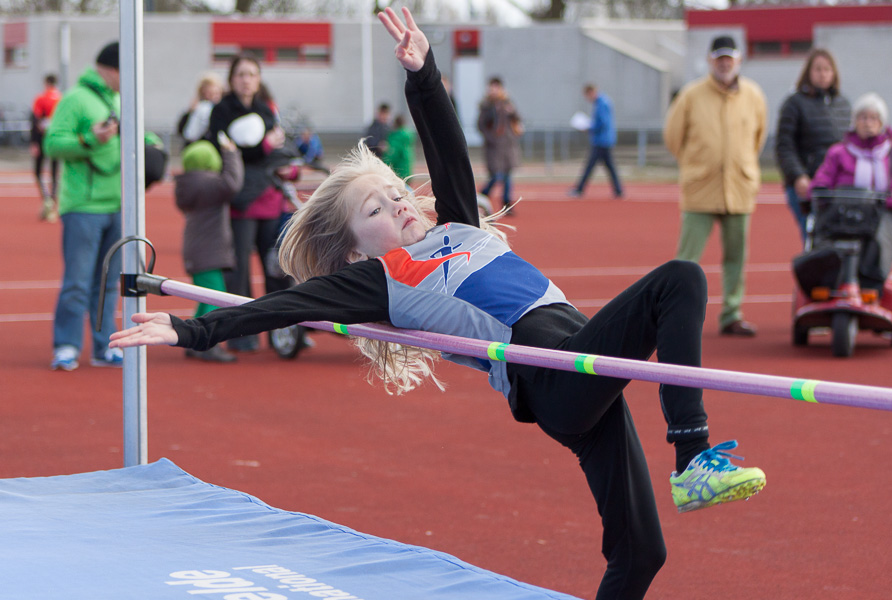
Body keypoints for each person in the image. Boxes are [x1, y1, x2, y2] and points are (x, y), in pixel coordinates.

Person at [110, 10, 766, 599]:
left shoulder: (460, 226)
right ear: (356, 251)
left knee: (640, 552)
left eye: (395, 191)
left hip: (578, 366)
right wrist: (191, 332)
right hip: (551, 372)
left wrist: (422, 73)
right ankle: (693, 459)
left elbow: (446, 145)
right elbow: (278, 307)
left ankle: (685, 475)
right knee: (679, 279)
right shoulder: (386, 278)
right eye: (375, 208)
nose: (397, 202)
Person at [664, 35, 767, 337]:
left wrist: (741, 164)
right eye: (719, 58)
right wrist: (695, 163)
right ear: (711, 61)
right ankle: (675, 315)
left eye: (730, 58)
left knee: (736, 257)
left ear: (738, 61)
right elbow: (673, 137)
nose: (725, 64)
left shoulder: (753, 95)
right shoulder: (691, 95)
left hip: (739, 189)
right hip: (701, 189)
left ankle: (732, 314)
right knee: (686, 260)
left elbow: (758, 137)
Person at [206, 53, 302, 353]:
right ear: (231, 79)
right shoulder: (221, 112)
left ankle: (281, 334)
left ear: (258, 80)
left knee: (277, 269)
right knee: (239, 273)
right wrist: (262, 147)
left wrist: (291, 168)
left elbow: (279, 151)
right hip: (241, 203)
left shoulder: (265, 110)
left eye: (252, 74)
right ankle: (241, 333)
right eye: (241, 74)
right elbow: (226, 151)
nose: (246, 79)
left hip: (271, 202)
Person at [44, 41, 124, 371]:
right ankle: (66, 346)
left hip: (118, 204)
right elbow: (52, 144)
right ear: (111, 69)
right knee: (78, 281)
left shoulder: (120, 98)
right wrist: (89, 139)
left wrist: (153, 145)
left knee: (108, 283)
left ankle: (104, 346)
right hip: (83, 206)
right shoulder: (75, 99)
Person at [809, 92, 892, 291]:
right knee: (826, 234)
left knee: (881, 236)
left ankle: (871, 285)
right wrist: (821, 190)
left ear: (882, 122)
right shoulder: (838, 152)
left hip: (881, 211)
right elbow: (822, 178)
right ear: (854, 121)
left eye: (873, 118)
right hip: (843, 209)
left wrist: (890, 200)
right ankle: (830, 281)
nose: (868, 123)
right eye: (863, 117)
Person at [174, 137, 245, 362]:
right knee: (214, 299)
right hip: (208, 251)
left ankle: (192, 339)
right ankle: (204, 344)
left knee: (205, 298)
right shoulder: (208, 184)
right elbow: (232, 183)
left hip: (200, 250)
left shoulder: (190, 183)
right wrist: (231, 153)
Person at [775, 49, 851, 242]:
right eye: (818, 69)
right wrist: (798, 176)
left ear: (834, 73)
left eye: (827, 69)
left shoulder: (843, 104)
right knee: (813, 238)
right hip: (806, 184)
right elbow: (784, 145)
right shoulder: (794, 103)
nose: (823, 73)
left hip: (838, 187)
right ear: (808, 72)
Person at [568, 84, 624, 199]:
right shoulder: (602, 102)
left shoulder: (602, 103)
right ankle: (618, 190)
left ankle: (579, 189)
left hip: (602, 141)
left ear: (591, 92)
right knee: (608, 166)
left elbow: (603, 123)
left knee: (590, 166)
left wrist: (589, 128)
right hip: (604, 140)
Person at [477, 76, 521, 213]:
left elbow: (517, 119)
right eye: (492, 87)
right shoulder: (486, 105)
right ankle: (482, 196)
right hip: (494, 147)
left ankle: (507, 204)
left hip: (508, 145)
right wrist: (491, 138)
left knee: (508, 175)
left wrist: (511, 110)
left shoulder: (507, 103)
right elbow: (481, 125)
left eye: (497, 87)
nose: (495, 90)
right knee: (496, 175)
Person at [30, 74, 62, 222]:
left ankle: (47, 199)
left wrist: (34, 142)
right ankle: (52, 201)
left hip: (43, 140)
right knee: (55, 172)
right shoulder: (62, 99)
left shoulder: (41, 99)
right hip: (56, 140)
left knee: (38, 171)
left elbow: (35, 121)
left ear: (46, 83)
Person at [177, 73, 224, 145]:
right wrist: (190, 112)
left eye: (216, 93)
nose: (214, 97)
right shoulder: (199, 108)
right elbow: (183, 130)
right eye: (210, 93)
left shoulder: (224, 109)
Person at [383, 114, 416, 181]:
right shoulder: (408, 135)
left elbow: (392, 154)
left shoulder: (396, 137)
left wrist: (383, 164)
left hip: (398, 170)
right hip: (407, 168)